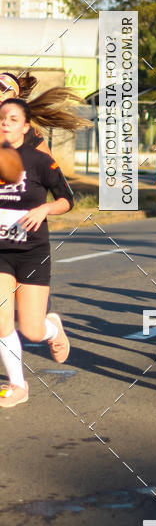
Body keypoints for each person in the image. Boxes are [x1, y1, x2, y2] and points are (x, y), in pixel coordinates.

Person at [0, 98, 74, 408]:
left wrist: (45, 209)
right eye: (2, 118)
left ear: (26, 127)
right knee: (1, 320)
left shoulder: (40, 160)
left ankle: (52, 329)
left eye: (13, 119)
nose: (5, 123)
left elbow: (67, 199)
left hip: (31, 251)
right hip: (0, 252)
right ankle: (18, 385)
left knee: (31, 330)